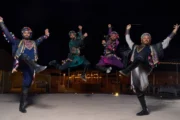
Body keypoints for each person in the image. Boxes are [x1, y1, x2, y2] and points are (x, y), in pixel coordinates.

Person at [119, 24, 179, 116]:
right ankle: (145, 109)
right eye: (144, 38)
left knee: (139, 58)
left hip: (147, 66)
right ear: (141, 40)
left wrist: (175, 31)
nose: (146, 39)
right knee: (137, 88)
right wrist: (127, 30)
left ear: (150, 40)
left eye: (148, 38)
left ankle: (127, 70)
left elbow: (167, 41)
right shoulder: (135, 46)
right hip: (136, 67)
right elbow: (128, 40)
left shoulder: (154, 47)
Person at [0, 16, 50, 113]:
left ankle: (22, 105)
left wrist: (46, 35)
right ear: (22, 34)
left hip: (30, 67)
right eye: (24, 32)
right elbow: (7, 34)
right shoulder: (17, 42)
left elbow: (40, 39)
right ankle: (37, 67)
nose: (26, 33)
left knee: (26, 84)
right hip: (21, 63)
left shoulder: (34, 43)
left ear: (30, 34)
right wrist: (1, 23)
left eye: (28, 32)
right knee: (23, 55)